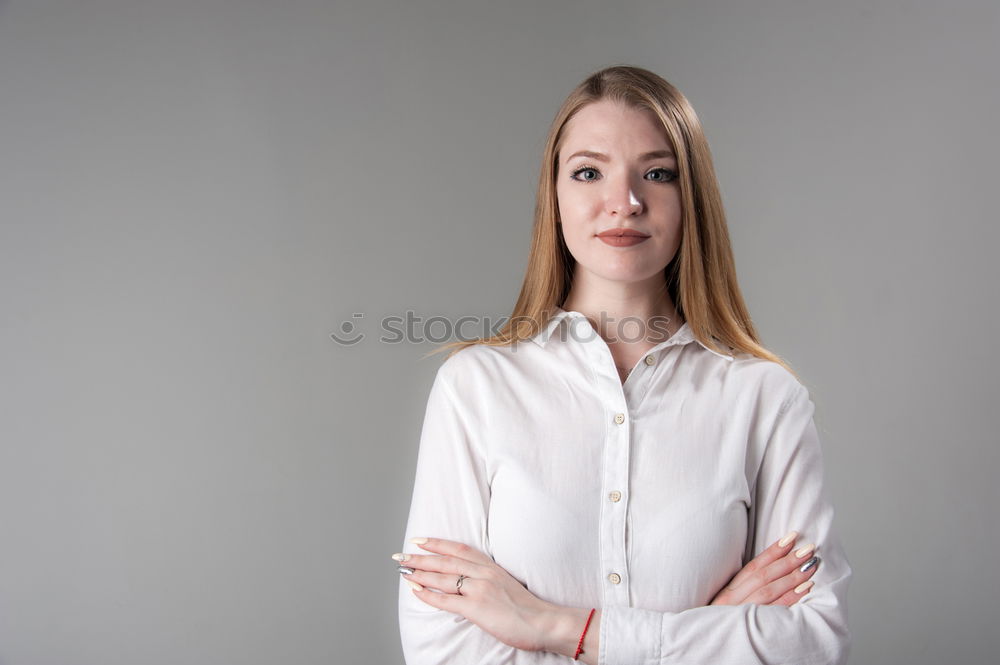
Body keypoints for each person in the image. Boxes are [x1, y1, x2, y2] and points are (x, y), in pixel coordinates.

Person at [393, 64, 851, 664]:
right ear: (554, 200)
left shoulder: (765, 398)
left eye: (657, 174)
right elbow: (441, 649)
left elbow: (813, 646)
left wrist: (557, 629)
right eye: (589, 172)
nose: (625, 203)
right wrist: (711, 631)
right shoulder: (475, 388)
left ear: (692, 202)